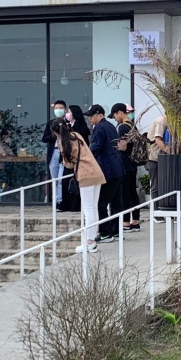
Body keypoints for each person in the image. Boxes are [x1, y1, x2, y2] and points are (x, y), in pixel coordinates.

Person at [60, 118, 106, 252]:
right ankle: (93, 239)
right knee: (93, 207)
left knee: (87, 209)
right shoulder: (77, 136)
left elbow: (68, 164)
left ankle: (89, 242)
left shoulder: (63, 141)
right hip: (96, 171)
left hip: (85, 174)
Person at [87, 103, 124, 239]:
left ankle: (105, 232)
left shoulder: (100, 128)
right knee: (116, 203)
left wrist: (87, 163)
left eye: (92, 115)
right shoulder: (110, 126)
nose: (90, 118)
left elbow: (94, 149)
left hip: (107, 171)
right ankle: (116, 231)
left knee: (100, 203)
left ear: (100, 115)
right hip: (118, 169)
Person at [113, 104, 144, 231]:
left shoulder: (122, 127)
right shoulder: (133, 126)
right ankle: (135, 220)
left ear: (120, 112)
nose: (114, 118)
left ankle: (126, 221)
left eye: (114, 115)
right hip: (133, 164)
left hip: (124, 164)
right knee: (132, 193)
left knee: (124, 194)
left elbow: (123, 147)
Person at [43, 100, 69, 185]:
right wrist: (55, 136)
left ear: (65, 109)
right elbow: (44, 138)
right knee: (54, 178)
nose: (58, 110)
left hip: (65, 151)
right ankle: (56, 197)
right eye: (56, 108)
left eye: (61, 108)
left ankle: (61, 198)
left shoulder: (68, 123)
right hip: (54, 151)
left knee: (62, 178)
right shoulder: (50, 123)